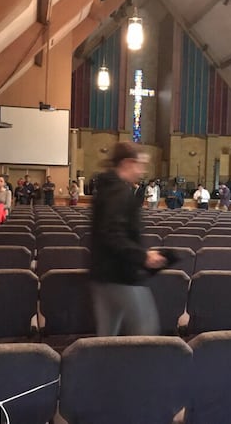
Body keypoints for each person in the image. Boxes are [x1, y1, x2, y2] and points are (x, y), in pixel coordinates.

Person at [90, 142, 166, 336]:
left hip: (103, 273)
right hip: (121, 275)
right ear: (127, 163)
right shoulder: (120, 192)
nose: (142, 171)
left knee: (106, 337)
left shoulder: (107, 188)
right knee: (146, 333)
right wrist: (143, 256)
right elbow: (113, 233)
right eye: (141, 164)